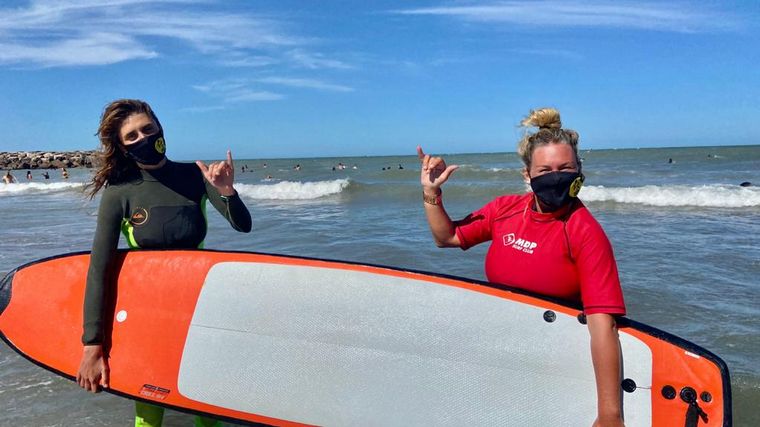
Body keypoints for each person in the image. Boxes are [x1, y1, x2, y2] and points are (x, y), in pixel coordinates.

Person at [417, 108, 625, 427]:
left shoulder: (585, 232)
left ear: (579, 171)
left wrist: (609, 414)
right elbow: (449, 237)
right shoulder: (506, 209)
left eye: (565, 168)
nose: (556, 177)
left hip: (554, 360)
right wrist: (432, 194)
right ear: (527, 175)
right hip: (499, 348)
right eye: (545, 170)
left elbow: (603, 324)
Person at [77, 99, 252, 427]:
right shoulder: (120, 192)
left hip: (198, 311)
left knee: (206, 407)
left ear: (160, 129)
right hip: (148, 315)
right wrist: (92, 344)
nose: (142, 138)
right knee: (148, 411)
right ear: (123, 147)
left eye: (147, 129)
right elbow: (99, 269)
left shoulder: (194, 176)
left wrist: (227, 191)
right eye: (131, 136)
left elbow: (242, 225)